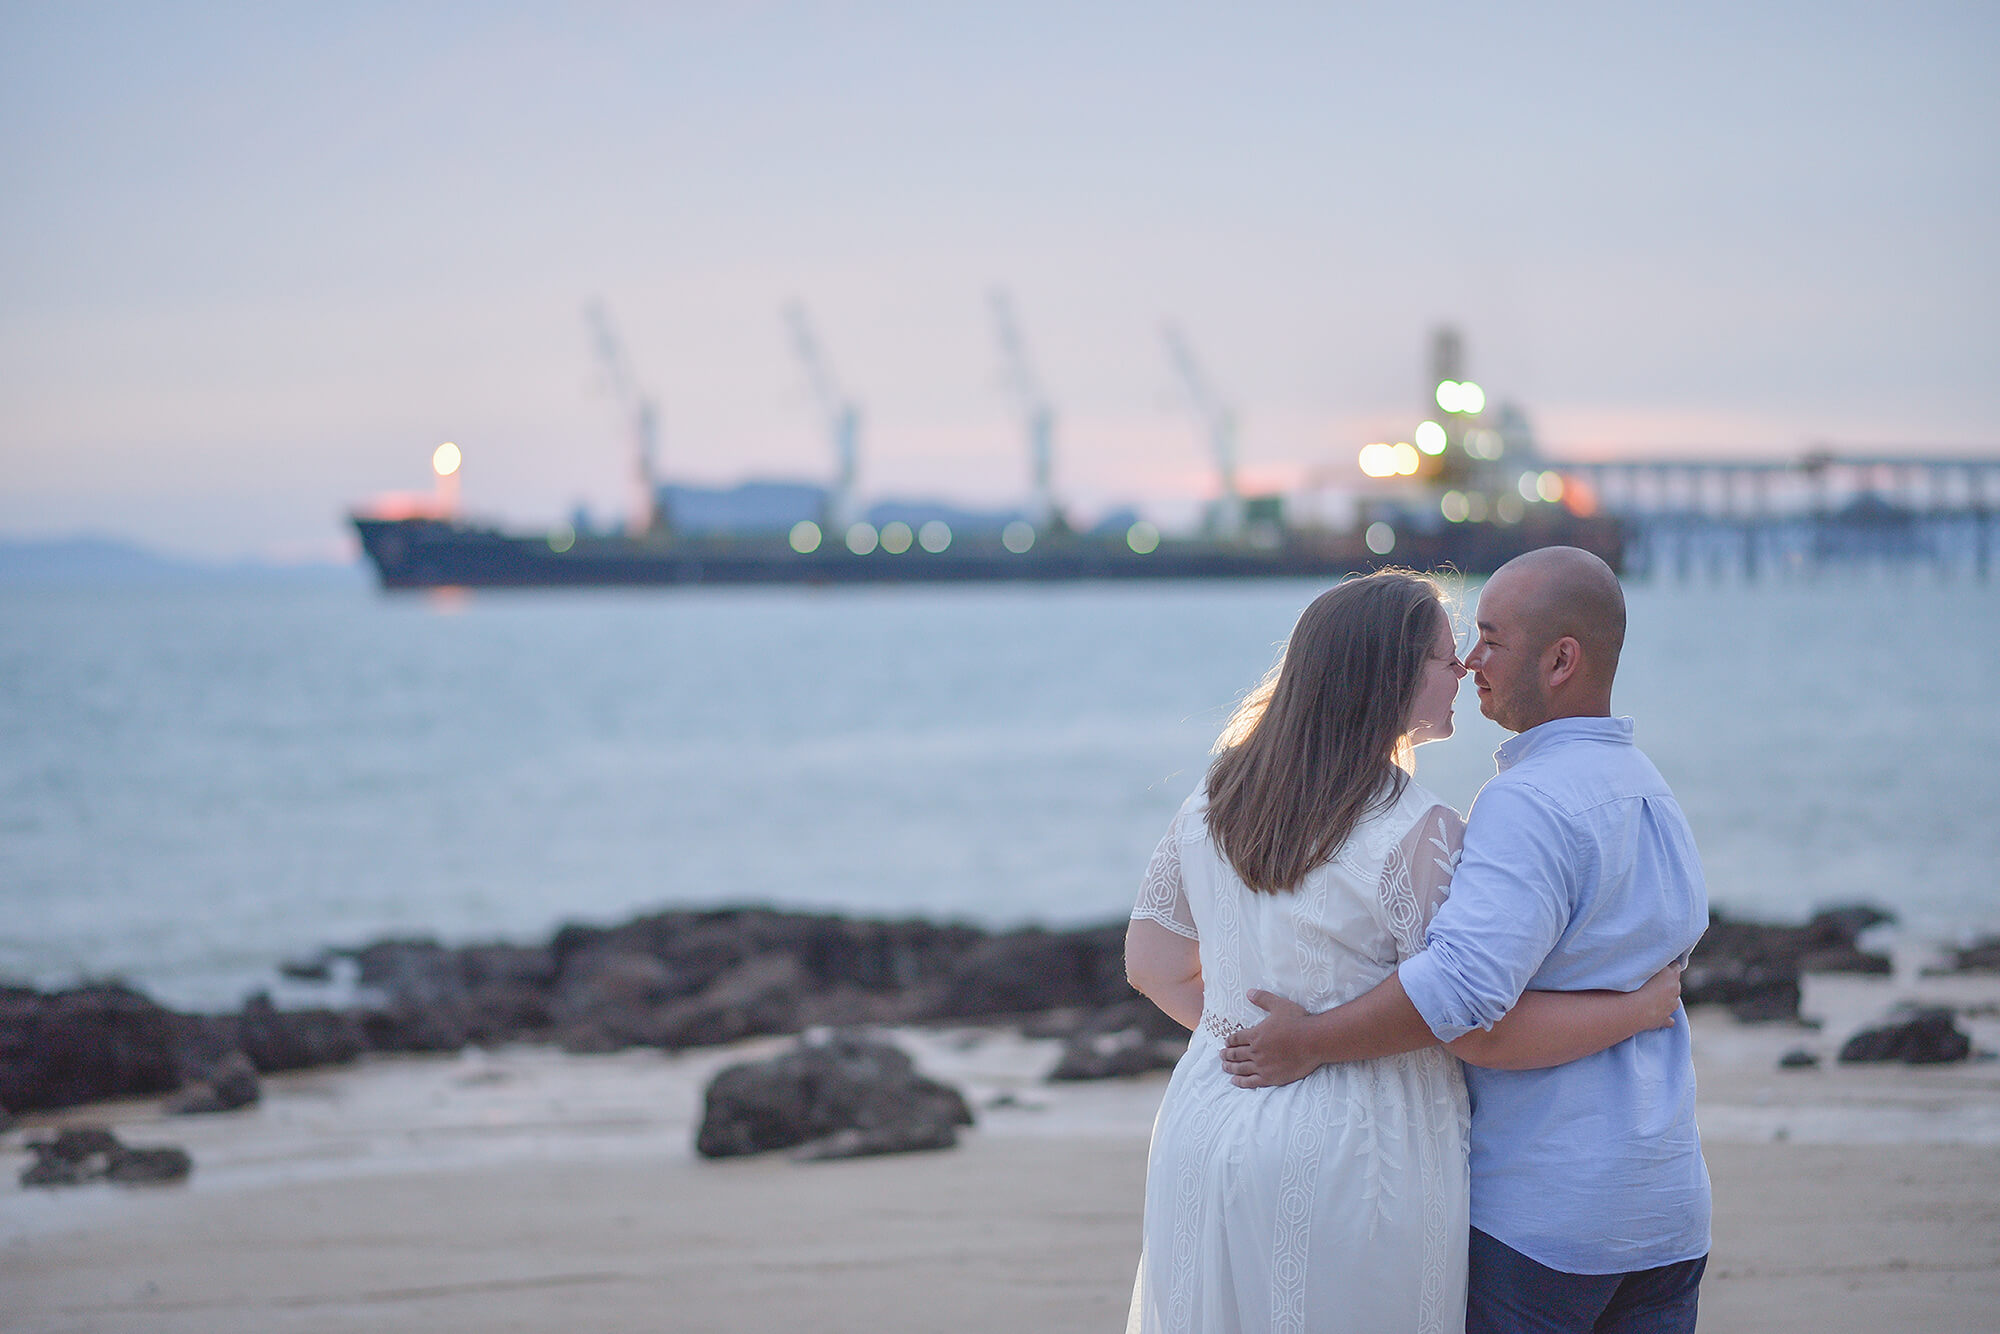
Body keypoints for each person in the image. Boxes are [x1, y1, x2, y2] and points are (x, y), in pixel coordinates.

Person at [1124, 568, 1683, 1334]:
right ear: (1381, 676)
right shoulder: (1418, 827)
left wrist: (1241, 1037)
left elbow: (1150, 963)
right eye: (1442, 656)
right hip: (1364, 1142)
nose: (1461, 669)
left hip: (1209, 1116)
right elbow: (1471, 1016)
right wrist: (1643, 1007)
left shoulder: (1217, 796)